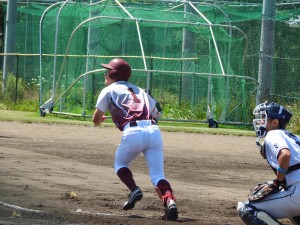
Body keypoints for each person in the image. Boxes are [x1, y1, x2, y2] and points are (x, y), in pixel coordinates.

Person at [92, 58, 178, 220]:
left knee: (120, 164)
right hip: (153, 130)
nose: (105, 73)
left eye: (108, 70)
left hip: (133, 132)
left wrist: (100, 119)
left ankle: (134, 189)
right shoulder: (140, 90)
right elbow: (156, 113)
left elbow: (96, 118)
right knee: (158, 175)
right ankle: (170, 200)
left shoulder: (109, 90)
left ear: (113, 73)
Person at [237, 102, 300, 225]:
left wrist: (279, 180)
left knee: (247, 209)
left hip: (298, 192)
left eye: (263, 118)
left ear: (275, 123)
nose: (260, 122)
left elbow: (285, 154)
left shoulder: (273, 134)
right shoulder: (295, 138)